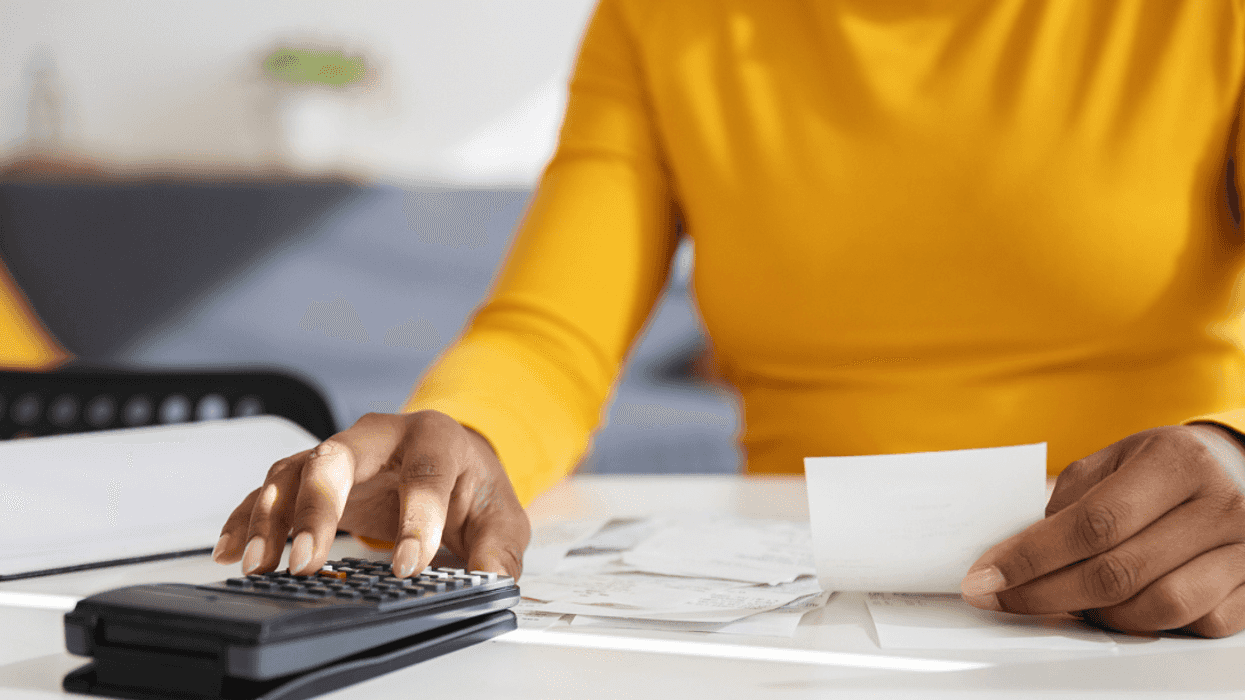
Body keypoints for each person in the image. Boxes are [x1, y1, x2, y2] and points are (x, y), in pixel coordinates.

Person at [213, 0, 1245, 638]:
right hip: (805, 621)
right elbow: (548, 338)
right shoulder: (666, 15)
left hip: (1179, 603)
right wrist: (463, 435)